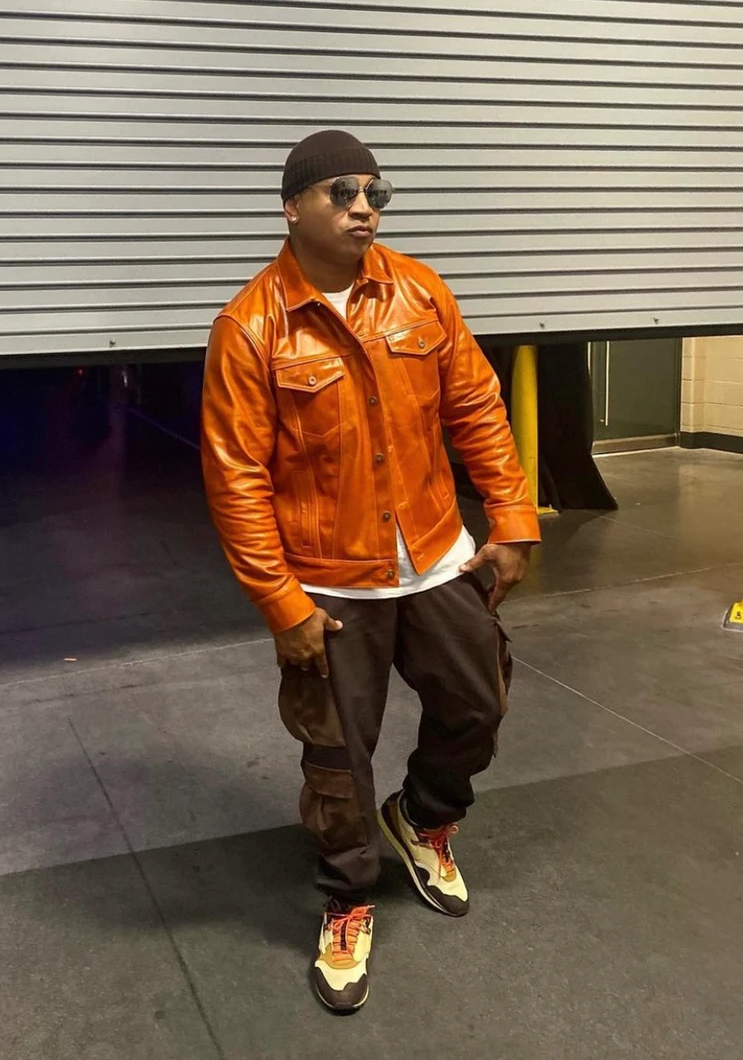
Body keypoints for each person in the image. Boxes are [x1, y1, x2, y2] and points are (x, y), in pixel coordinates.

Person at [201, 130, 541, 1014]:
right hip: (328, 582)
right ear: (292, 208)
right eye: (343, 192)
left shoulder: (420, 291)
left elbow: (477, 407)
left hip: (436, 556)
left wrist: (510, 518)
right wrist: (281, 602)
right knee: (337, 758)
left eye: (376, 193)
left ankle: (422, 818)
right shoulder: (251, 326)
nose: (365, 208)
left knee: (479, 702)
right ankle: (348, 896)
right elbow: (236, 479)